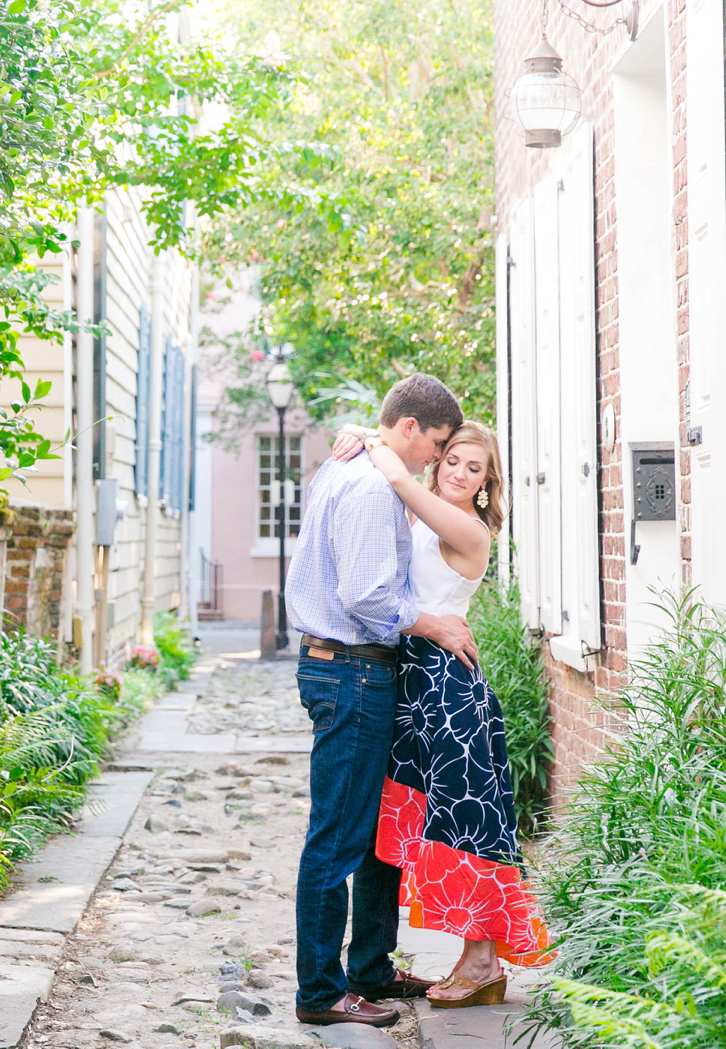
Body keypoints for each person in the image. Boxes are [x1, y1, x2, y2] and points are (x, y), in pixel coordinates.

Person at [329, 419, 554, 1008]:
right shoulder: (416, 513)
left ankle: (482, 960)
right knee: (405, 827)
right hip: (406, 688)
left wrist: (372, 437)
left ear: (486, 484)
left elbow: (401, 480)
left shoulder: (469, 530)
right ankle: (395, 962)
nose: (458, 472)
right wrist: (361, 431)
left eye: (473, 468)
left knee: (465, 823)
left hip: (449, 695)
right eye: (452, 458)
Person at [284, 374, 480, 1029]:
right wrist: (435, 623)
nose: (435, 458)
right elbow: (370, 597)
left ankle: (369, 970)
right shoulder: (370, 487)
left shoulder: (350, 466)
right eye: (437, 443)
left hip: (350, 671)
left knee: (372, 837)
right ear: (408, 428)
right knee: (338, 837)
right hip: (352, 674)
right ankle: (320, 989)